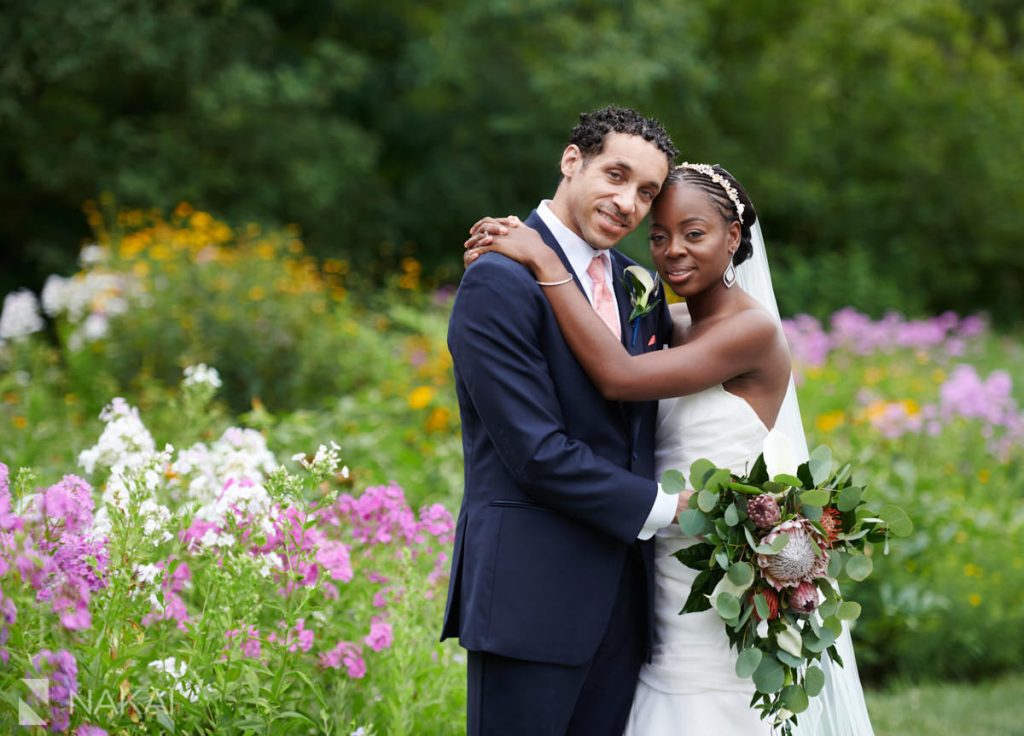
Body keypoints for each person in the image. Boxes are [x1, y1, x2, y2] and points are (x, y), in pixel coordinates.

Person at [465, 163, 876, 734]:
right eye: (658, 236)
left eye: (694, 233)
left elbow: (618, 377)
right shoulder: (665, 320)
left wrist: (540, 258)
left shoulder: (750, 333)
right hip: (655, 581)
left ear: (733, 237)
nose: (672, 251)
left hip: (715, 587)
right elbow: (582, 338)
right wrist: (513, 272)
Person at [440, 106, 689, 736]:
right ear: (571, 160)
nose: (627, 202)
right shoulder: (498, 280)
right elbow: (535, 453)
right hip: (531, 598)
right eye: (615, 174)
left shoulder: (639, 284)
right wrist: (667, 509)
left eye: (646, 192)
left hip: (626, 605)